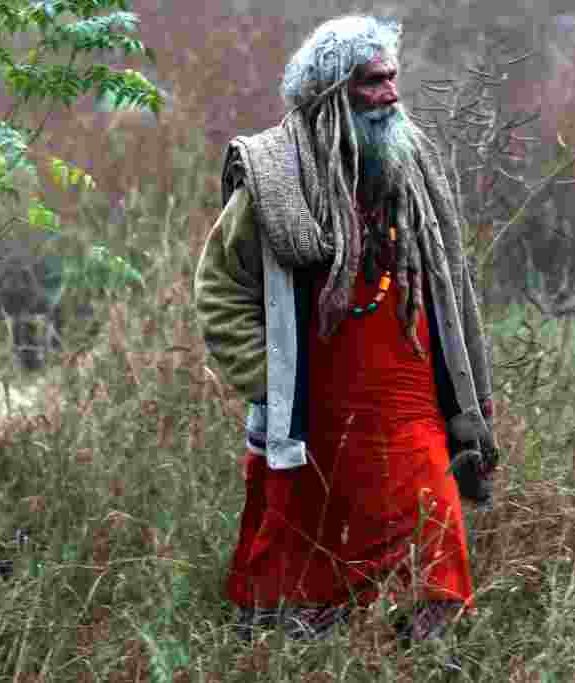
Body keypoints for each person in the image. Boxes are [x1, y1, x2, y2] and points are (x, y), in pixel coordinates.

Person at [193, 15, 498, 647]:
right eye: (372, 82)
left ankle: (416, 657)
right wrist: (272, 383)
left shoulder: (413, 167)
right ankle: (318, 656)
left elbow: (454, 282)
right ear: (332, 94)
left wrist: (471, 394)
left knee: (434, 546)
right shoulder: (276, 177)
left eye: (392, 78)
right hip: (315, 410)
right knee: (310, 562)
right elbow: (220, 290)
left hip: (411, 400)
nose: (391, 93)